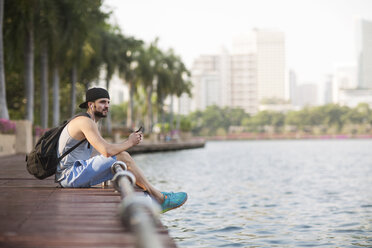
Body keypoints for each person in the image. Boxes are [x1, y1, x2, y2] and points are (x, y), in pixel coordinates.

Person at [55, 87, 187, 213]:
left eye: (108, 102)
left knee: (121, 159)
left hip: (72, 175)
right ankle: (159, 198)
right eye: (102, 102)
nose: (106, 106)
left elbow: (105, 149)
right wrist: (130, 142)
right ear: (90, 105)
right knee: (123, 156)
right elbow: (106, 151)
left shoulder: (91, 122)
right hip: (69, 176)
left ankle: (153, 197)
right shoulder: (85, 122)